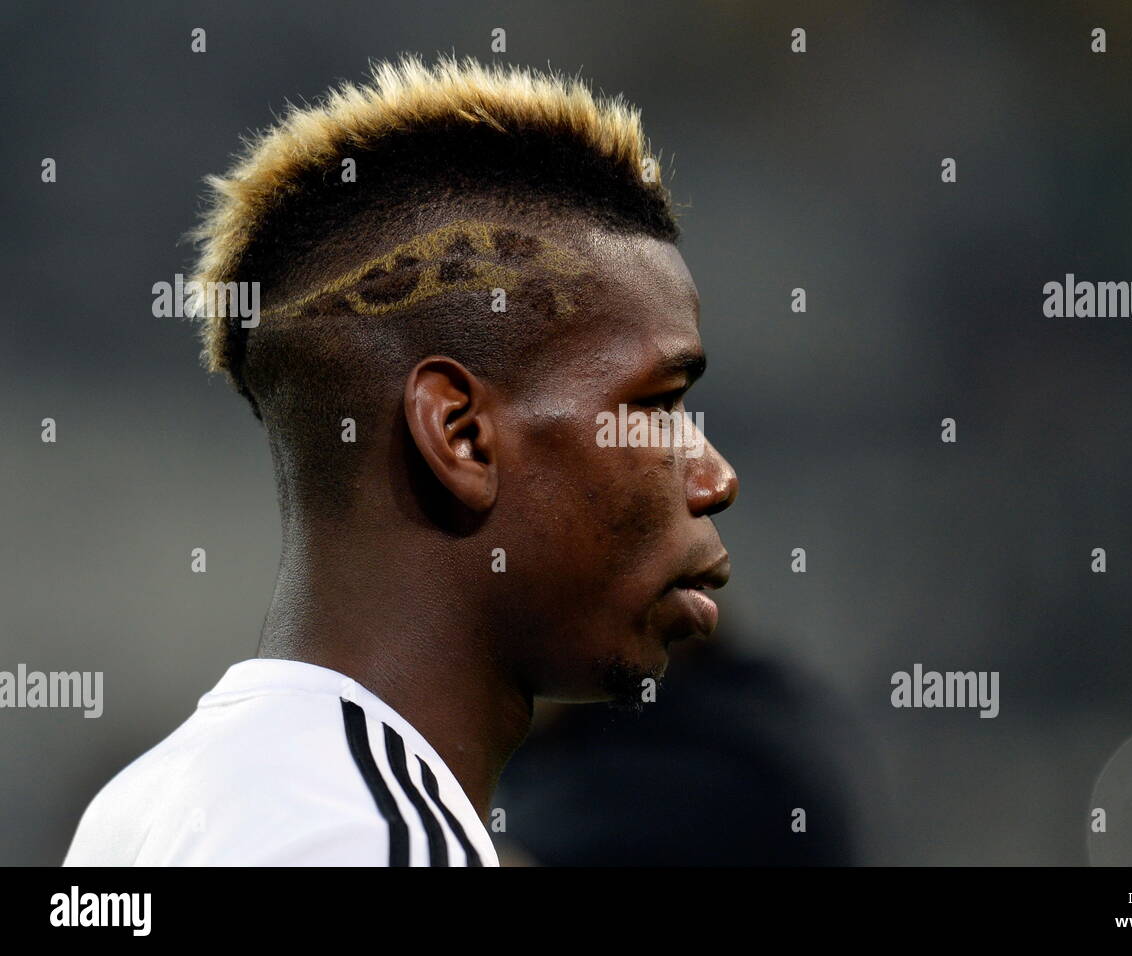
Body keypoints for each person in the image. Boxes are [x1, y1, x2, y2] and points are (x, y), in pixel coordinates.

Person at [63, 54, 738, 866]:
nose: (715, 477)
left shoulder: (140, 806)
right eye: (657, 409)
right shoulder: (370, 840)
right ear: (459, 434)